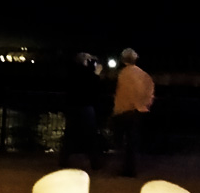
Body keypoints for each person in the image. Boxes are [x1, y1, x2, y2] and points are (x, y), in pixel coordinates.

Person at [110, 48, 155, 177]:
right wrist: (144, 104)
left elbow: (120, 93)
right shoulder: (142, 75)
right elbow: (149, 91)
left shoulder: (123, 74)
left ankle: (125, 167)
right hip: (137, 111)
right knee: (132, 141)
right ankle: (131, 168)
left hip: (123, 110)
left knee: (122, 140)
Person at [59, 52, 105, 170]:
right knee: (90, 135)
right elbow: (92, 87)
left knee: (70, 134)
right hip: (85, 107)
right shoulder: (86, 73)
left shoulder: (72, 72)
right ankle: (95, 162)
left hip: (72, 106)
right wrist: (96, 74)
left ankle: (63, 160)